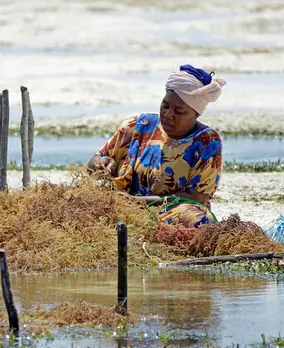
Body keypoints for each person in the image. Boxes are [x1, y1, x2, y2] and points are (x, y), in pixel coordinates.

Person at [87, 65, 226, 228]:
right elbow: (92, 162)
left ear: (196, 114)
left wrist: (138, 203)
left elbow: (196, 198)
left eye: (179, 111)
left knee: (195, 219)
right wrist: (101, 163)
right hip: (121, 206)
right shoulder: (138, 126)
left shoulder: (207, 142)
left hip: (168, 213)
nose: (168, 115)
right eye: (165, 106)